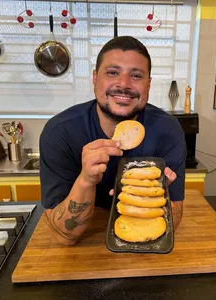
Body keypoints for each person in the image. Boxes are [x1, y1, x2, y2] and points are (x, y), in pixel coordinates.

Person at [40, 36, 187, 246]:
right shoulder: (60, 132)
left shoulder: (168, 130)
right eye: (112, 73)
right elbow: (64, 236)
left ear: (149, 84)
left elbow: (174, 220)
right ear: (94, 78)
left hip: (145, 244)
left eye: (136, 75)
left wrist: (157, 194)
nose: (124, 84)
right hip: (86, 246)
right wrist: (86, 180)